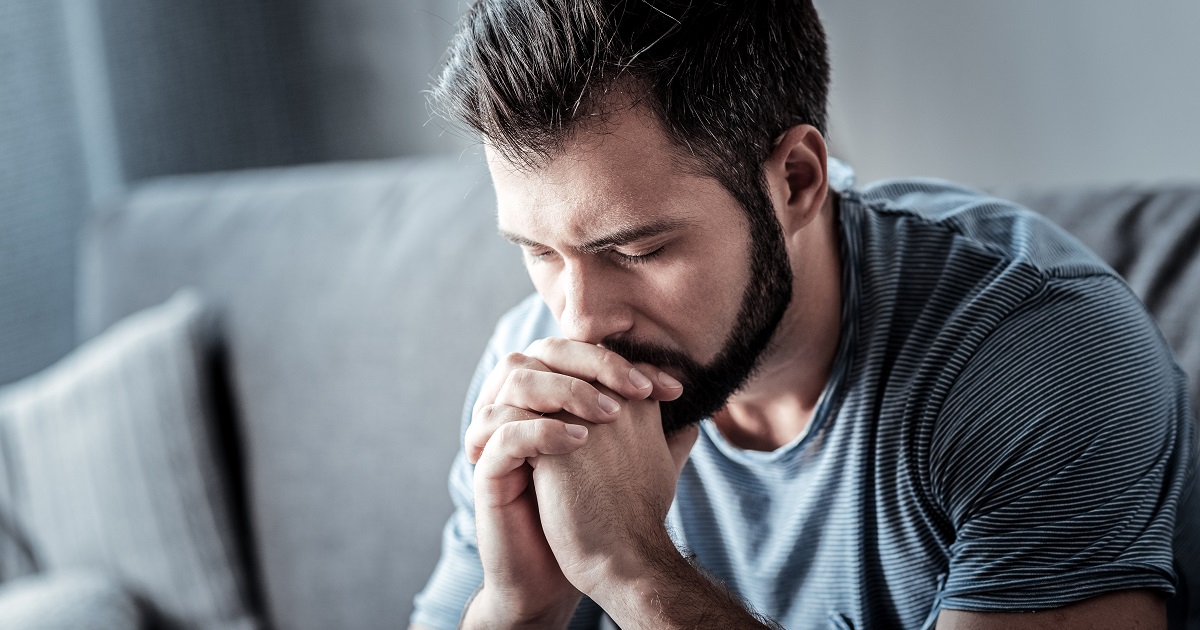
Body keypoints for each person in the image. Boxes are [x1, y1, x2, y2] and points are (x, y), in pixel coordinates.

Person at [409, 1, 1199, 628]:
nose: (577, 322)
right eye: (541, 253)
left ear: (794, 179)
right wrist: (519, 611)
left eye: (639, 249)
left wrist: (635, 571)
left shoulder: (1036, 352)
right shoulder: (538, 376)